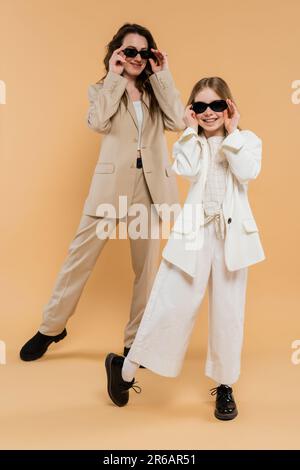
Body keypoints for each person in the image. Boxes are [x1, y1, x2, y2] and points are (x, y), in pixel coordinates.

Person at [20, 23, 185, 362]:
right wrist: (115, 76)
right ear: (117, 53)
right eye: (129, 51)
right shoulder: (101, 89)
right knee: (78, 259)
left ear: (150, 56)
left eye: (143, 52)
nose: (137, 58)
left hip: (150, 189)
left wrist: (163, 75)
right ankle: (51, 327)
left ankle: (135, 341)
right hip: (110, 188)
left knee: (147, 269)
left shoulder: (156, 92)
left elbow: (178, 122)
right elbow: (98, 122)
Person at [105, 76, 266, 420]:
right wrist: (190, 132)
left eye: (217, 105)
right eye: (201, 106)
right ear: (192, 111)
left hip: (232, 240)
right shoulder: (187, 142)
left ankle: (225, 386)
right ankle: (124, 371)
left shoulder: (247, 141)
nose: (210, 113)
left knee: (229, 315)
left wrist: (233, 132)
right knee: (169, 306)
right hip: (194, 237)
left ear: (229, 107)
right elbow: (188, 170)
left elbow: (247, 172)